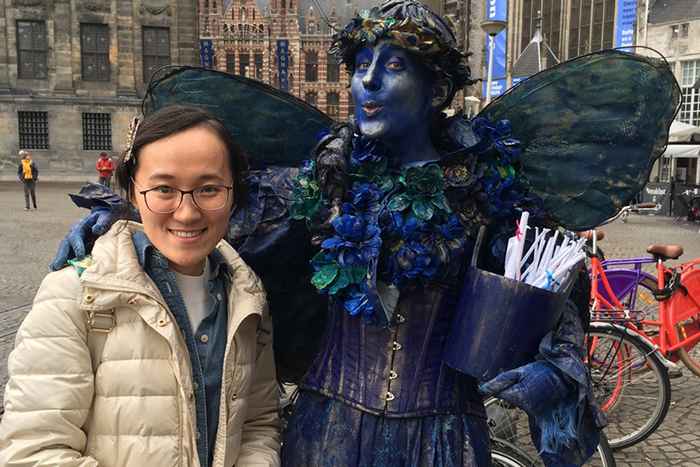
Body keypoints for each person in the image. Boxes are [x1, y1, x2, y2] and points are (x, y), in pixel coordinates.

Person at [47, 1, 679, 465]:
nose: (367, 82)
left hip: (442, 436)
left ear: (437, 89)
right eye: (361, 65)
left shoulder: (490, 192)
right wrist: (120, 218)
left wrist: (554, 376)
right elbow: (215, 212)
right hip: (325, 428)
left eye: (393, 66)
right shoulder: (322, 180)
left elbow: (550, 297)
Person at [0, 105, 281, 467]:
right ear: (133, 192)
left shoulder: (248, 299)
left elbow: (257, 426)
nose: (187, 212)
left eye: (209, 189)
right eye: (164, 189)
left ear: (234, 195)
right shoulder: (73, 297)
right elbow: (32, 452)